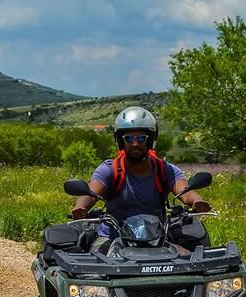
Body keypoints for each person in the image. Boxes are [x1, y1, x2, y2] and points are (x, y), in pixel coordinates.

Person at [70, 106, 211, 254]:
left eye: (141, 138)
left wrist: (197, 201)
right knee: (95, 269)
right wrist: (81, 207)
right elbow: (91, 191)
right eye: (129, 138)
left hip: (156, 239)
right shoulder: (110, 169)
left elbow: (185, 190)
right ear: (120, 141)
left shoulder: (164, 170)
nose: (135, 144)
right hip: (112, 237)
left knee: (192, 263)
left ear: (150, 140)